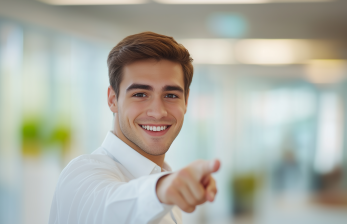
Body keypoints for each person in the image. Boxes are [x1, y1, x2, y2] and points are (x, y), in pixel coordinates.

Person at [49, 32, 220, 224]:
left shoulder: (166, 187)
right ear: (113, 100)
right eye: (140, 94)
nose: (158, 112)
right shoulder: (83, 173)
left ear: (186, 101)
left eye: (171, 95)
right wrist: (162, 190)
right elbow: (108, 209)